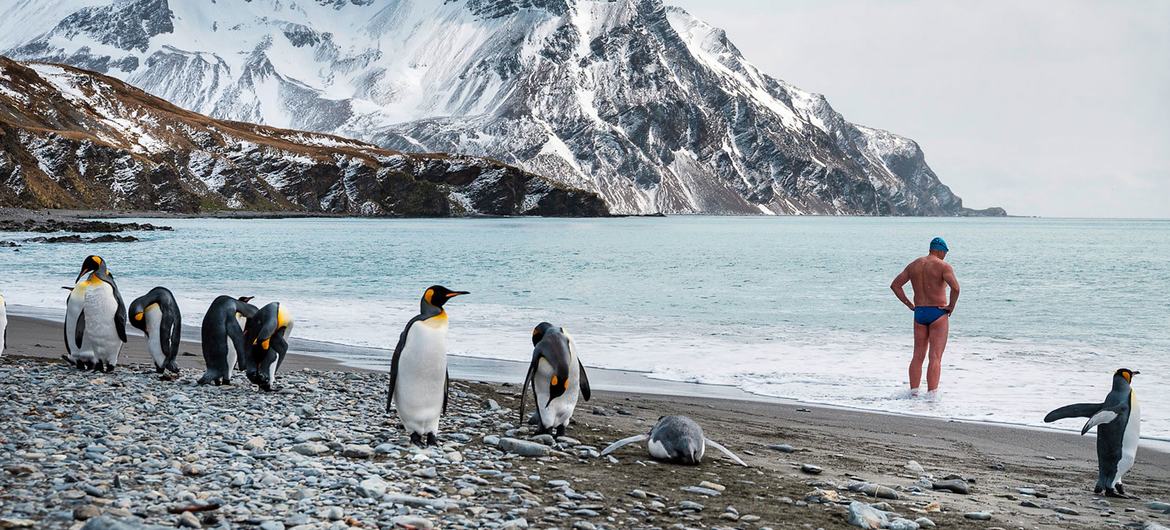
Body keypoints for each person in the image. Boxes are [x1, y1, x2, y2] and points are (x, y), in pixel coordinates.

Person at [890, 237, 960, 396]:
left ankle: (913, 393)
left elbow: (895, 285)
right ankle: (931, 396)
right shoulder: (943, 266)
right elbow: (955, 288)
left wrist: (909, 304)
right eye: (945, 252)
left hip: (920, 313)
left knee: (917, 355)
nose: (945, 256)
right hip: (938, 313)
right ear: (940, 250)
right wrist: (951, 306)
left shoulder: (914, 265)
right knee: (935, 357)